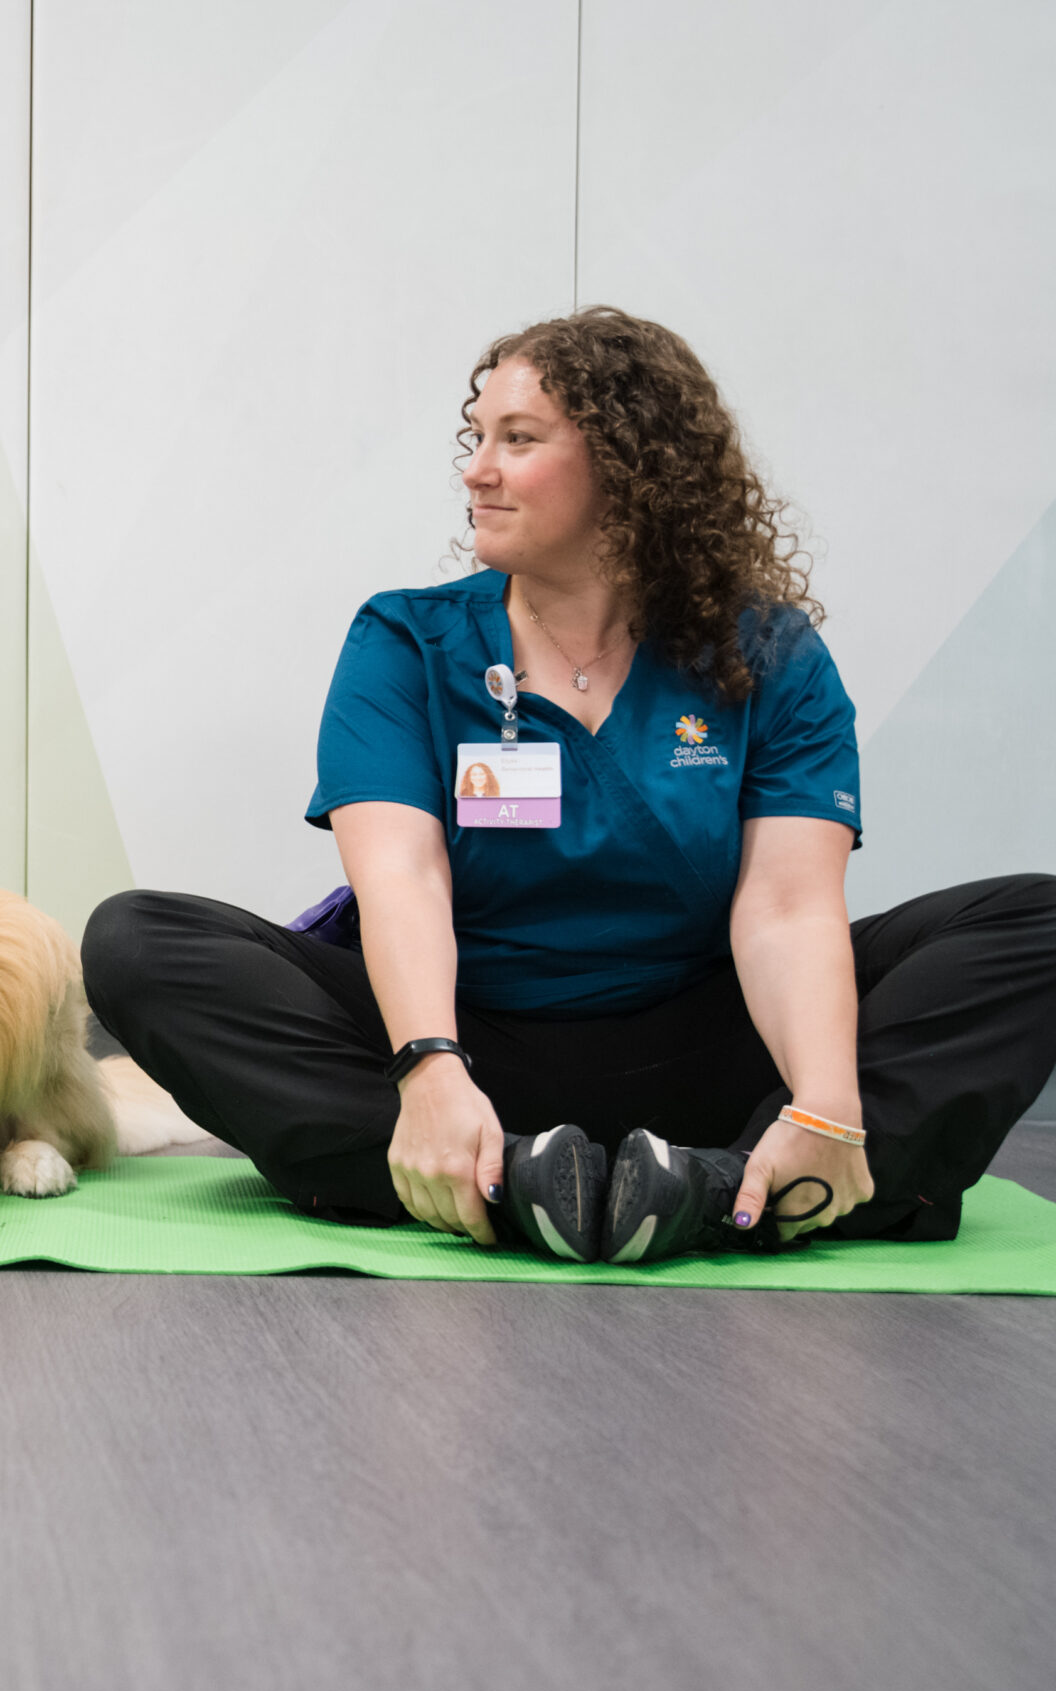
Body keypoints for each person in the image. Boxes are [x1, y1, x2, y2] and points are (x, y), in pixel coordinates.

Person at [83, 307, 1056, 1265]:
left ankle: (720, 1184)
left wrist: (823, 1097)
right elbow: (402, 882)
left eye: (517, 440)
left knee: (1034, 926)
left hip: (703, 1039)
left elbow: (788, 906)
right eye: (476, 438)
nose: (475, 469)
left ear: (628, 469)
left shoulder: (764, 653)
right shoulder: (405, 640)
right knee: (139, 941)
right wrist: (426, 1067)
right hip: (472, 1041)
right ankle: (530, 1179)